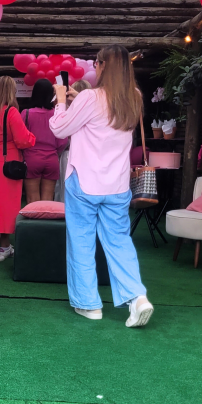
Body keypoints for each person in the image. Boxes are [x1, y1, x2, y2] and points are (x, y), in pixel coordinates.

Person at [49, 46, 154, 327]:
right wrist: (78, 99)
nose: (94, 66)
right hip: (117, 185)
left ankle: (89, 305)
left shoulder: (91, 98)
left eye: (96, 62)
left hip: (84, 181)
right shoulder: (135, 98)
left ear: (104, 65)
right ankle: (137, 297)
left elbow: (60, 128)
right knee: (119, 242)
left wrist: (62, 100)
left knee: (82, 242)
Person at [0, 76, 35, 263]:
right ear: (11, 92)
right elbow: (23, 140)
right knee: (5, 205)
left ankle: (5, 246)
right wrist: (32, 137)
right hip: (8, 164)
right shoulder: (11, 112)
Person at [21, 80, 68, 203]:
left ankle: (34, 222)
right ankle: (46, 222)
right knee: (48, 200)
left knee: (32, 199)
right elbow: (63, 141)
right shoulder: (56, 114)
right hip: (51, 158)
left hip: (32, 158)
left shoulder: (26, 114)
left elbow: (21, 138)